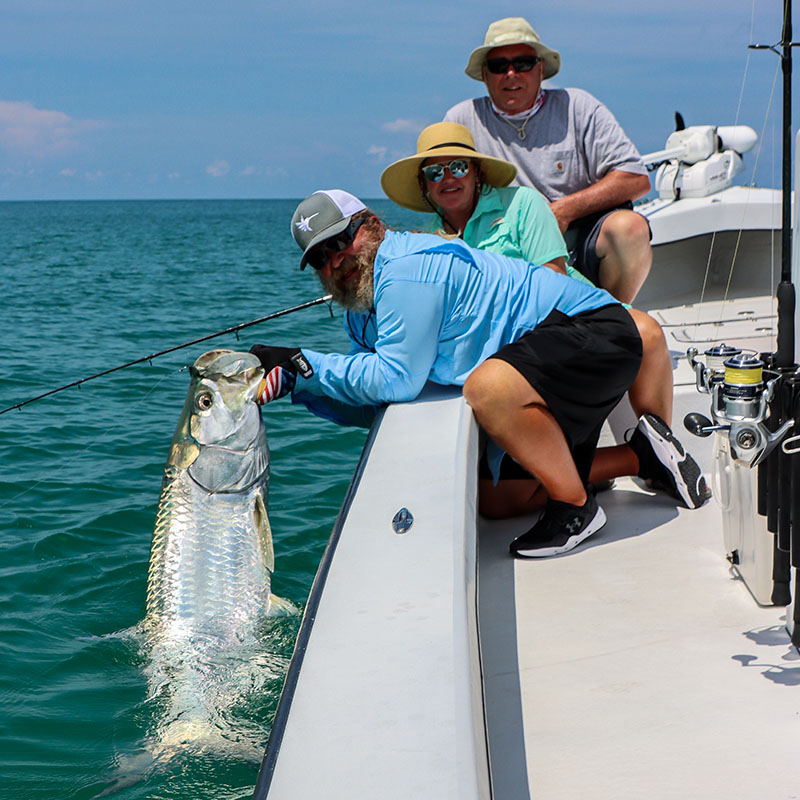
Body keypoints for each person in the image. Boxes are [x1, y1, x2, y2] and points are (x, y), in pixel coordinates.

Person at [251, 188, 644, 558]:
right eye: (319, 258)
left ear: (371, 224)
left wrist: (303, 364)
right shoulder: (362, 313)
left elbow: (396, 379)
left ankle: (576, 509)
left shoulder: (404, 269)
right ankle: (642, 456)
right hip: (548, 359)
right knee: (496, 500)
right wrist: (297, 384)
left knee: (484, 389)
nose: (335, 261)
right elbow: (374, 397)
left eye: (339, 242)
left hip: (594, 334)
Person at [380, 122, 709, 515]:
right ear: (424, 185)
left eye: (458, 167)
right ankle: (637, 458)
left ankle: (659, 456)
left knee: (646, 333)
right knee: (497, 502)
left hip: (559, 331)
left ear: (477, 171)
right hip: (510, 358)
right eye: (434, 172)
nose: (447, 178)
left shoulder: (523, 204)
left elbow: (551, 285)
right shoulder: (427, 248)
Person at [443, 17, 652, 305]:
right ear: (485, 74)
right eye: (499, 66)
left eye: (524, 63)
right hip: (505, 249)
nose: (511, 73)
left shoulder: (579, 106)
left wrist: (563, 211)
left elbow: (635, 178)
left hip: (580, 237)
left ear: (540, 68)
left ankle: (614, 321)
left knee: (631, 228)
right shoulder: (461, 120)